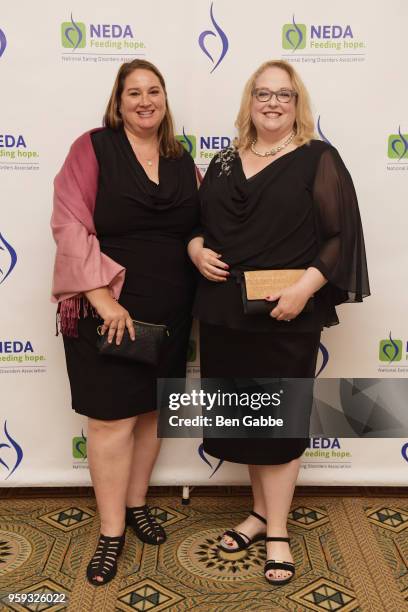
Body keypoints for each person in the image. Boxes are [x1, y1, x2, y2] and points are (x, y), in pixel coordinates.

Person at [188, 59, 369, 586]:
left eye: (283, 95)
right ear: (249, 101)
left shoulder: (318, 158)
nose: (272, 102)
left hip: (289, 311)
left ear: (297, 103)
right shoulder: (222, 162)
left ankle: (278, 534)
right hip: (225, 312)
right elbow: (198, 225)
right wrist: (197, 249)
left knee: (281, 423)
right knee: (247, 419)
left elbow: (340, 236)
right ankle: (260, 511)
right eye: (262, 93)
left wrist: (304, 291)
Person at [51, 59, 199, 586]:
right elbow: (69, 223)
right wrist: (102, 300)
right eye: (132, 92)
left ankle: (136, 504)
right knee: (111, 421)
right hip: (108, 313)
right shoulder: (92, 148)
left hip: (172, 313)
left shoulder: (183, 160)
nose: (144, 100)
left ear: (165, 99)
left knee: (151, 415)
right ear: (118, 103)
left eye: (153, 90)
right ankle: (111, 531)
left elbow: (199, 227)